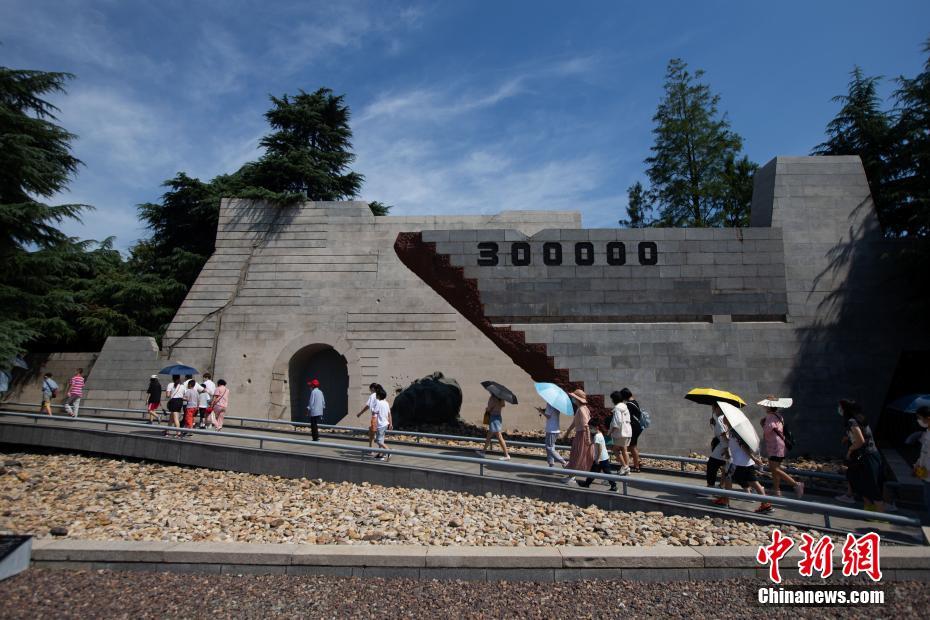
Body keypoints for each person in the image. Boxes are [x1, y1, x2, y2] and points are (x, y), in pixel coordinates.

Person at [839, 399, 884, 511]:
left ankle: (880, 515)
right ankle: (870, 510)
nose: (839, 409)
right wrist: (848, 438)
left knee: (870, 485)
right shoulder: (859, 419)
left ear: (845, 409)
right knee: (859, 481)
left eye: (840, 407)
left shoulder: (852, 422)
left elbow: (860, 440)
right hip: (868, 455)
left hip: (866, 457)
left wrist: (850, 450)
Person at [761, 399, 804, 498]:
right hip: (780, 445)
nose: (764, 407)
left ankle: (796, 484)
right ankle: (776, 490)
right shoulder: (778, 416)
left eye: (765, 406)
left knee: (774, 469)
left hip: (774, 446)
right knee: (776, 469)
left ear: (768, 407)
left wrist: (762, 423)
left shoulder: (770, 417)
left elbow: (767, 431)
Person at [722, 432, 774, 514]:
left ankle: (725, 501)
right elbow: (734, 444)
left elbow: (743, 446)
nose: (724, 419)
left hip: (738, 462)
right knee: (754, 482)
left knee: (728, 478)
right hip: (746, 462)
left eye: (725, 418)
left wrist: (754, 459)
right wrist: (726, 438)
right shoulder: (733, 432)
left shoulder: (736, 432)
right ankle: (766, 504)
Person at [578, 422, 617, 491]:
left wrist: (598, 458)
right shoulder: (599, 434)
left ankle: (614, 486)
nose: (590, 429)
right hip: (603, 457)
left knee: (605, 472)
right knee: (594, 471)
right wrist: (590, 443)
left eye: (591, 428)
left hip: (601, 458)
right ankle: (587, 484)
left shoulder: (597, 436)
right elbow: (597, 444)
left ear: (597, 427)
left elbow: (600, 448)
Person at [565, 389, 594, 483]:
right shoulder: (583, 408)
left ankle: (571, 476)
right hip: (582, 434)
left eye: (573, 398)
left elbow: (586, 424)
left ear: (577, 399)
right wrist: (568, 431)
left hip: (582, 435)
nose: (572, 399)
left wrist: (588, 438)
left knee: (577, 455)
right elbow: (575, 422)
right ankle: (571, 475)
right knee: (583, 455)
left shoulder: (581, 409)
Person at [909, 407, 930, 519]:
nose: (919, 421)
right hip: (925, 474)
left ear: (928, 418)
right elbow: (924, 454)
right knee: (927, 502)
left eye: (920, 418)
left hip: (928, 474)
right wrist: (917, 466)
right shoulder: (927, 433)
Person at [707, 404, 731, 493]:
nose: (712, 409)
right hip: (725, 446)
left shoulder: (721, 419)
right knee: (725, 467)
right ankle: (721, 485)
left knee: (712, 465)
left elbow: (723, 435)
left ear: (718, 408)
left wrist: (726, 450)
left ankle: (711, 487)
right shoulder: (720, 418)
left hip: (723, 446)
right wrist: (713, 423)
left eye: (713, 407)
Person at [479, 394, 510, 460]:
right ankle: (483, 452)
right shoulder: (501, 398)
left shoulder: (492, 398)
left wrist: (487, 409)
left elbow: (489, 409)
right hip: (498, 417)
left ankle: (507, 455)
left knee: (499, 436)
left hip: (493, 418)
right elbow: (503, 405)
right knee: (489, 435)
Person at [608, 391, 632, 475]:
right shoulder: (625, 407)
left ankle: (625, 466)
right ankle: (626, 468)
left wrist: (610, 432)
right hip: (628, 432)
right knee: (624, 450)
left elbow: (617, 422)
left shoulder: (617, 408)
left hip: (620, 433)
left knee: (615, 449)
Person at [356, 383, 380, 455]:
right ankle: (373, 449)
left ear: (372, 388)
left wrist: (360, 413)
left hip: (375, 417)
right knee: (377, 433)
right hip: (382, 417)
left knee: (372, 434)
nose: (369, 390)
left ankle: (377, 450)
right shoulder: (381, 395)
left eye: (370, 388)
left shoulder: (372, 396)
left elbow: (368, 406)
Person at [624, 389, 644, 472]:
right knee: (632, 446)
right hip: (637, 427)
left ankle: (636, 467)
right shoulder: (635, 402)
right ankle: (637, 462)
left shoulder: (629, 404)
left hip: (634, 427)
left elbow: (627, 417)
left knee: (632, 447)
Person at [373, 386, 393, 461]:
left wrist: (374, 426)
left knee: (378, 440)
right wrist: (390, 424)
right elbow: (389, 414)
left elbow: (374, 414)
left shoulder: (378, 403)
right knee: (381, 440)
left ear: (379, 396)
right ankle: (380, 454)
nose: (376, 396)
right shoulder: (386, 403)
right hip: (385, 424)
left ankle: (388, 451)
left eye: (377, 395)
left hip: (380, 424)